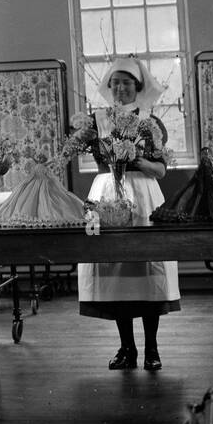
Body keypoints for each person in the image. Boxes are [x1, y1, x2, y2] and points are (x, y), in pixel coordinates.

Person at [79, 56, 179, 371]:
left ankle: (152, 349)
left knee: (147, 270)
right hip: (108, 194)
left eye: (127, 83)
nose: (121, 88)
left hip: (144, 196)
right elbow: (91, 158)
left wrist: (135, 159)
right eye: (116, 83)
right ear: (109, 87)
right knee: (115, 271)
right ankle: (127, 348)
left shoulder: (151, 121)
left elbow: (160, 170)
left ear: (138, 86)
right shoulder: (98, 120)